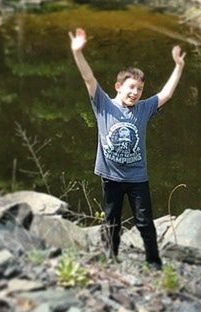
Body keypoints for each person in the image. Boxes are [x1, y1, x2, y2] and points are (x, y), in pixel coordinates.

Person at [69, 27, 186, 269]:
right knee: (112, 221)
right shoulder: (103, 105)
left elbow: (166, 93)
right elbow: (88, 78)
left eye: (139, 89)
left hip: (136, 177)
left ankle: (154, 262)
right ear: (118, 86)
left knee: (145, 221)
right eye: (130, 87)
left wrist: (178, 66)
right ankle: (110, 258)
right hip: (110, 177)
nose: (135, 93)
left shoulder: (143, 108)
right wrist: (78, 52)